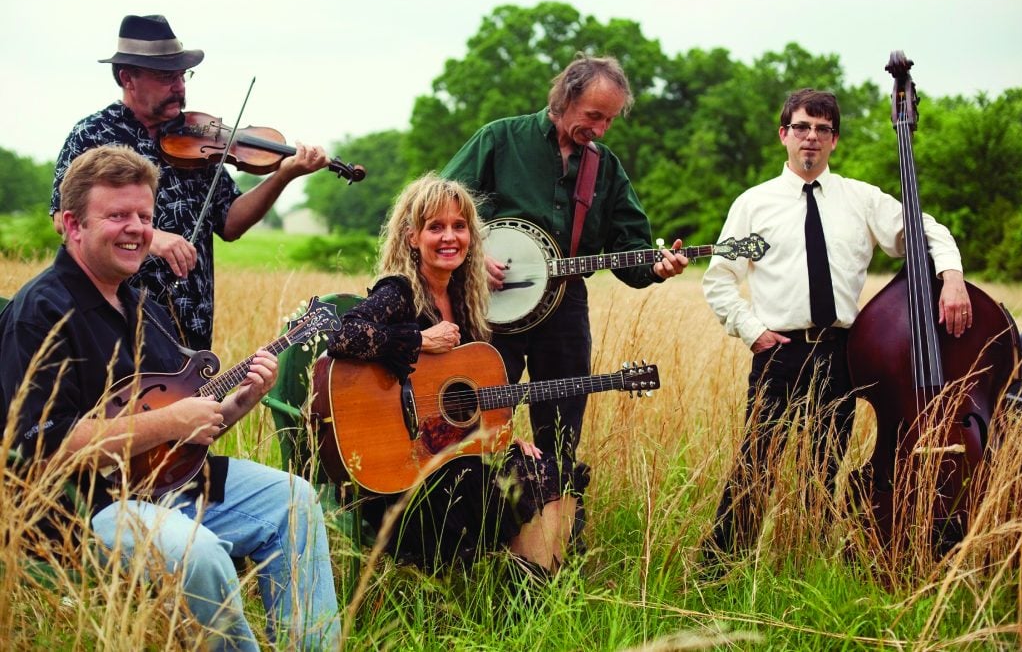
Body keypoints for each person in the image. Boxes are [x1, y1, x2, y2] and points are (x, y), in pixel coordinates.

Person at [2, 146, 339, 650]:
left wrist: (240, 402)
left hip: (167, 484)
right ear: (73, 225)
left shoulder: (143, 308)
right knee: (196, 550)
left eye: (144, 215)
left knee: (294, 499)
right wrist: (170, 423)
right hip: (87, 509)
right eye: (117, 215)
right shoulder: (41, 312)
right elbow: (42, 448)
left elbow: (188, 428)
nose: (137, 228)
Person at [701, 88, 971, 558]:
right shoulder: (753, 204)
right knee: (755, 466)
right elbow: (719, 280)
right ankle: (719, 568)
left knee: (825, 468)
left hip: (841, 353)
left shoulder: (861, 200)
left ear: (835, 140)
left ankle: (811, 560)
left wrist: (951, 275)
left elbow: (926, 229)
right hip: (778, 352)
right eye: (802, 127)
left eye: (822, 130)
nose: (812, 138)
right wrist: (754, 332)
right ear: (784, 134)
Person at [441, 53, 688, 481]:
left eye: (609, 120)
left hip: (565, 307)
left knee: (561, 424)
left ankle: (548, 519)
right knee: (474, 415)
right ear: (565, 98)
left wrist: (655, 268)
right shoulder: (501, 139)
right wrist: (472, 255)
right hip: (488, 305)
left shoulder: (605, 166)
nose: (600, 129)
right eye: (594, 116)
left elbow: (630, 246)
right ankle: (466, 518)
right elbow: (439, 205)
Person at [326, 174, 579, 575]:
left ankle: (529, 595)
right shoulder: (399, 291)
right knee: (497, 486)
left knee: (550, 470)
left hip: (450, 457)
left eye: (459, 226)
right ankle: (518, 592)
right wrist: (418, 340)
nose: (449, 237)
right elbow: (343, 336)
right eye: (436, 227)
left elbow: (459, 405)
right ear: (412, 237)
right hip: (406, 475)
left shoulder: (466, 299)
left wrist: (505, 436)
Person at [50, 14, 329, 351]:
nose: (180, 88)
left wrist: (284, 174)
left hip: (190, 324)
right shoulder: (92, 135)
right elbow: (62, 219)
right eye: (166, 77)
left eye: (183, 76)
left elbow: (229, 222)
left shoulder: (199, 134)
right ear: (128, 78)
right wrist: (151, 237)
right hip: (112, 321)